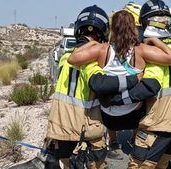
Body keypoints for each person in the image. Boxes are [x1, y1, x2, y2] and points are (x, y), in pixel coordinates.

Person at [67, 10, 171, 161]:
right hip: (133, 115)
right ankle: (134, 138)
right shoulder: (141, 50)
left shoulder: (102, 49)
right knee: (144, 95)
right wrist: (155, 41)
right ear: (133, 28)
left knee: (106, 96)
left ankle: (113, 141)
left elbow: (72, 59)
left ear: (112, 30)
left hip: (108, 116)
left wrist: (92, 42)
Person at [45, 5, 143, 169]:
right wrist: (135, 79)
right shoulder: (88, 61)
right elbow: (100, 83)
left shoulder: (66, 57)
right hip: (84, 128)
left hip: (59, 126)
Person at [105, 0, 171, 168]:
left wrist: (116, 100)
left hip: (159, 124)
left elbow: (149, 86)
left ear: (146, 24)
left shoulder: (155, 50)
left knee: (137, 165)